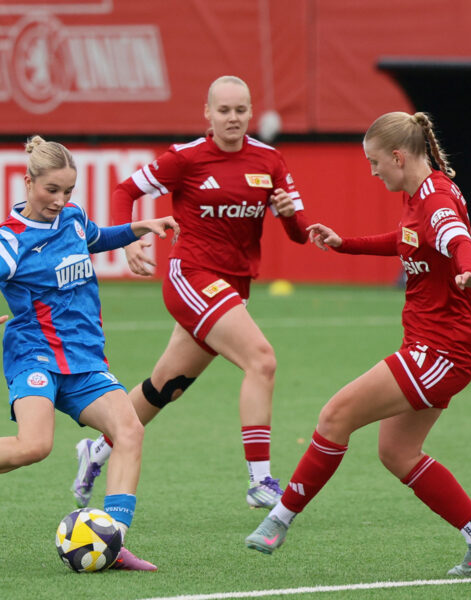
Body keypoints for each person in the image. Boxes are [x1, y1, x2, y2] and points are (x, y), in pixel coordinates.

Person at [245, 111, 471, 578]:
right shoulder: (421, 193)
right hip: (440, 349)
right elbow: (409, 240)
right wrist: (345, 244)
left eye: (374, 162)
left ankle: (279, 518)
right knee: (397, 453)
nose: (371, 172)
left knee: (334, 415)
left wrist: (470, 267)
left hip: (441, 352)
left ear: (397, 155)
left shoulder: (436, 196)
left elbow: (453, 235)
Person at [0, 136, 178, 571]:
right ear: (27, 182)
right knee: (34, 446)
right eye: (52, 190)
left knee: (130, 430)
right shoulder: (8, 241)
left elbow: (96, 237)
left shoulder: (73, 218)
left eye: (68, 191)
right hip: (35, 357)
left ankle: (113, 539)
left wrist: (141, 227)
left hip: (85, 360)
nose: (60, 200)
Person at [70, 75, 310, 511]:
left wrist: (291, 217)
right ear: (208, 113)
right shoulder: (186, 158)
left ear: (250, 112)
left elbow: (298, 235)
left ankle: (98, 450)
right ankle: (260, 481)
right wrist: (129, 240)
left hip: (234, 286)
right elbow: (126, 191)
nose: (232, 118)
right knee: (262, 359)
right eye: (224, 110)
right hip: (192, 277)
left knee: (166, 386)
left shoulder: (270, 160)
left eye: (240, 110)